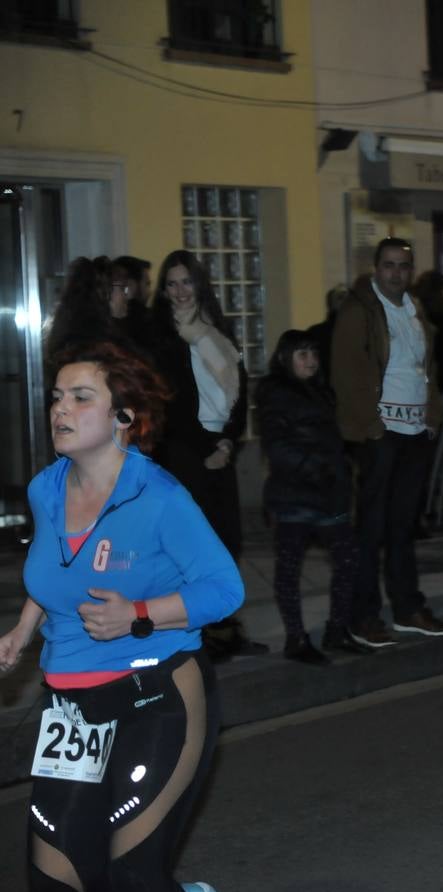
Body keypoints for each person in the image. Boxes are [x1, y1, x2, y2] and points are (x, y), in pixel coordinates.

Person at [0, 340, 242, 892]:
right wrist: (23, 627)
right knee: (55, 883)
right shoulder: (46, 487)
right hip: (72, 714)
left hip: (156, 698)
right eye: (57, 397)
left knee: (132, 878)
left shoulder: (158, 497)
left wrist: (136, 614)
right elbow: (58, 566)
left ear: (123, 419)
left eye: (81, 398)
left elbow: (225, 589)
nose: (61, 409)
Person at [331, 237, 443, 647]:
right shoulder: (359, 311)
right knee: (371, 529)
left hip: (416, 432)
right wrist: (371, 426)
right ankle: (362, 614)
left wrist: (432, 417)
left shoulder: (415, 309)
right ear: (375, 268)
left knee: (402, 527)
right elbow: (345, 374)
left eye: (403, 265)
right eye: (388, 265)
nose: (396, 272)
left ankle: (407, 607)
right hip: (381, 434)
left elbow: (427, 369)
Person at [150, 249, 263, 660]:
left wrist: (229, 441)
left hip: (221, 448)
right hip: (185, 453)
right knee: (190, 548)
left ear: (200, 283)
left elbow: (240, 390)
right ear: (164, 291)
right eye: (172, 283)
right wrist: (207, 448)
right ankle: (196, 636)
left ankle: (225, 628)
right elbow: (170, 402)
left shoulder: (216, 330)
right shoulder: (162, 335)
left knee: (227, 542)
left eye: (186, 281)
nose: (180, 291)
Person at [257, 329, 371, 664]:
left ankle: (337, 629)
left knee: (347, 559)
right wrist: (316, 467)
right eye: (302, 354)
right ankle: (296, 637)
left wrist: (342, 467)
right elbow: (276, 446)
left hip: (329, 494)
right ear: (285, 358)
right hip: (295, 495)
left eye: (314, 354)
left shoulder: (322, 392)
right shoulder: (276, 393)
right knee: (290, 567)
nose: (311, 360)